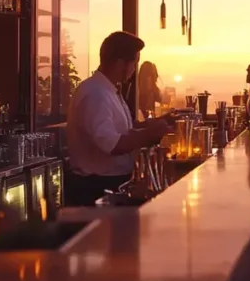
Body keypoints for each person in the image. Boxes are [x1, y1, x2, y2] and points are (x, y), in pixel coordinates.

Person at [66, 32, 174, 206]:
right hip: (96, 188)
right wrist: (150, 134)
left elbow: (124, 131)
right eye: (134, 63)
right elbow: (113, 144)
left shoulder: (109, 90)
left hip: (112, 182)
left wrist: (157, 123)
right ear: (120, 63)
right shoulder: (95, 94)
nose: (134, 70)